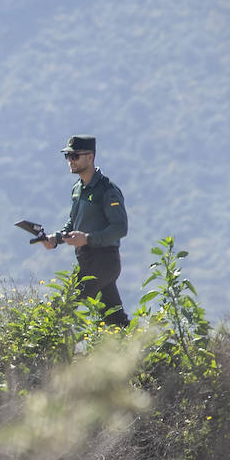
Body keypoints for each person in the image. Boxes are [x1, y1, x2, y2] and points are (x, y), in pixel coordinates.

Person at [39, 134, 130, 327]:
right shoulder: (77, 189)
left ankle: (49, 352)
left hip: (104, 260)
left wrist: (88, 239)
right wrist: (54, 239)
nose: (70, 161)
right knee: (115, 320)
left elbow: (120, 228)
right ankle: (141, 353)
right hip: (87, 260)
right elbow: (72, 224)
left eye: (75, 156)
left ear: (90, 157)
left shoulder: (107, 190)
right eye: (68, 156)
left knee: (63, 306)